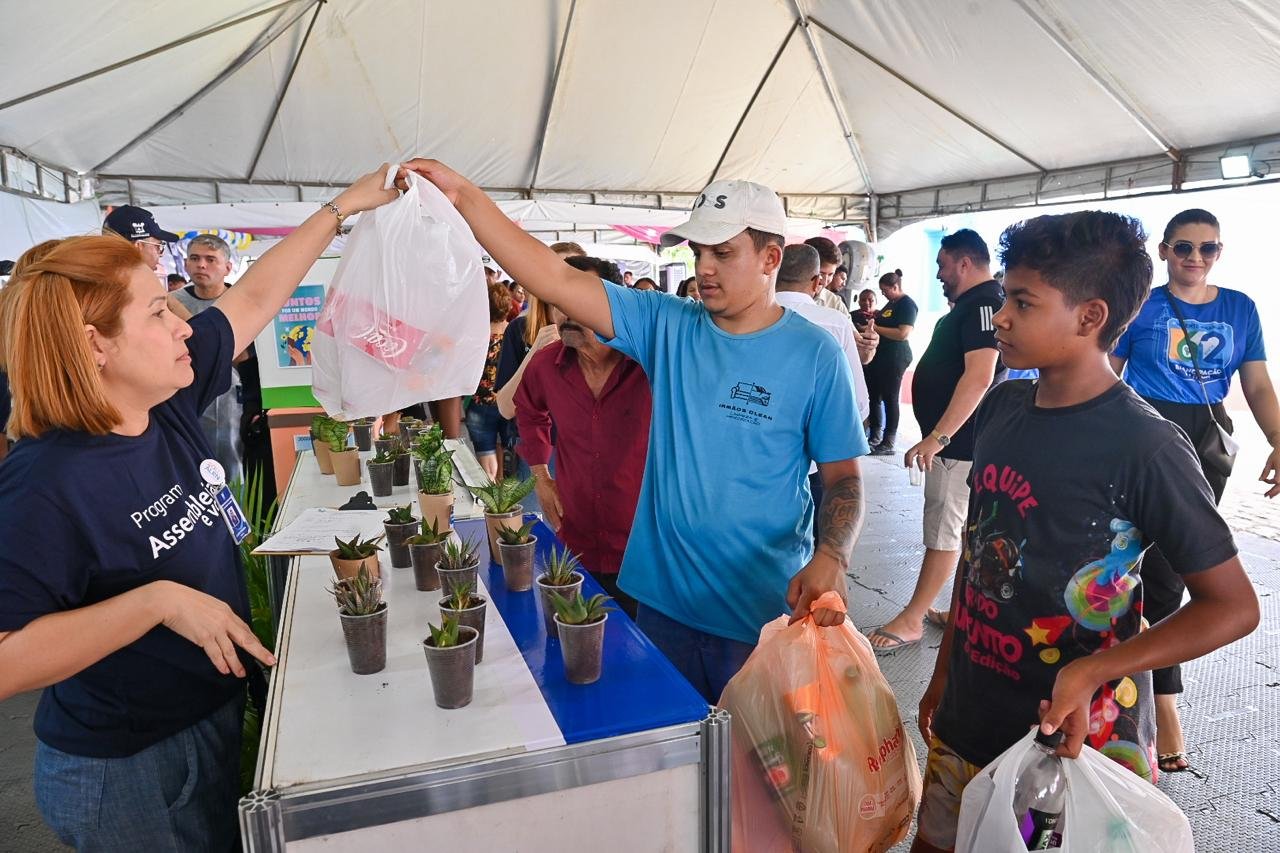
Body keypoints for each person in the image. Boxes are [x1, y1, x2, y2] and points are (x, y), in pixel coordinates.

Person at [0, 167, 397, 849]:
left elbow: (256, 297)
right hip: (127, 767)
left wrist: (344, 207)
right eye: (157, 311)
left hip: (203, 719)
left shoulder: (166, 403)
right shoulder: (47, 483)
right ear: (95, 345)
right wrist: (154, 602)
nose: (183, 325)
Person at [407, 161, 868, 702]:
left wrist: (832, 556)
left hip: (761, 612)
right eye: (699, 252)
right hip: (663, 607)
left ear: (771, 258)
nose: (706, 268)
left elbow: (843, 478)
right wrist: (466, 197)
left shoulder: (814, 354)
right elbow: (554, 277)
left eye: (724, 251)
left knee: (757, 770)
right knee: (667, 757)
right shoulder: (668, 324)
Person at [911, 211, 1259, 853]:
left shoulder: (1146, 446)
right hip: (970, 713)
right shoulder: (1003, 408)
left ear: (1090, 317)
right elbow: (975, 564)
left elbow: (1233, 607)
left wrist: (1097, 668)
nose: (1002, 318)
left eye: (1022, 302)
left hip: (1078, 739)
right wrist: (942, 676)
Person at [1111, 207, 1280, 773]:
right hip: (1143, 433)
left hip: (1205, 441)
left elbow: (1255, 383)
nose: (1195, 259)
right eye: (1184, 247)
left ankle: (1148, 693)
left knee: (1177, 566)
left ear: (1219, 253)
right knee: (1139, 565)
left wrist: (1279, 438)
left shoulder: (1240, 308)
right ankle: (1160, 702)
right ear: (1164, 251)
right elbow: (1106, 371)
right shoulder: (1142, 306)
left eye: (1208, 249)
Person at [870, 229, 1004, 650]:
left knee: (944, 531)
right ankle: (964, 610)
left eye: (942, 265)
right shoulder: (970, 305)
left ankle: (911, 619)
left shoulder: (984, 303)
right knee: (965, 534)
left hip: (960, 445)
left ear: (965, 263)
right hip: (958, 443)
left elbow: (980, 375)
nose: (939, 275)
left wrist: (938, 437)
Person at [514, 255, 650, 618]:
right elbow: (527, 411)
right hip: (576, 544)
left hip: (647, 554)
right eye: (559, 301)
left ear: (614, 302)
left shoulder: (651, 366)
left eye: (580, 299)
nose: (567, 312)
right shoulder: (546, 366)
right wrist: (541, 477)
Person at [775, 244, 871, 545]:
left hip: (756, 470)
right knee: (815, 549)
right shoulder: (833, 322)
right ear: (817, 282)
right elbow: (857, 403)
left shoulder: (746, 316)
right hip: (817, 464)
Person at [171, 234, 249, 485]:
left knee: (230, 459)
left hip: (230, 397)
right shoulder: (170, 302)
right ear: (185, 265)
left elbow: (241, 355)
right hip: (181, 392)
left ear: (228, 268)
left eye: (210, 259)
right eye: (195, 258)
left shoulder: (239, 302)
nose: (201, 265)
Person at [466, 281, 514, 480]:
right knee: (507, 450)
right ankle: (506, 500)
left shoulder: (475, 336)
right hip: (509, 404)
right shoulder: (516, 333)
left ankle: (492, 503)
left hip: (480, 404)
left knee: (487, 463)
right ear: (508, 306)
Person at [866, 269, 918, 453]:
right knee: (874, 396)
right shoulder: (892, 303)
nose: (883, 294)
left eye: (885, 290)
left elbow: (903, 333)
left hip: (895, 358)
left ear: (895, 287)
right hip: (880, 357)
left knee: (890, 397)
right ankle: (874, 435)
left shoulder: (907, 305)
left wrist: (877, 328)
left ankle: (888, 441)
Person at [804, 236, 848, 313]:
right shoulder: (780, 294)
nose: (824, 282)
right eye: (820, 273)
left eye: (830, 274)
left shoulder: (835, 305)